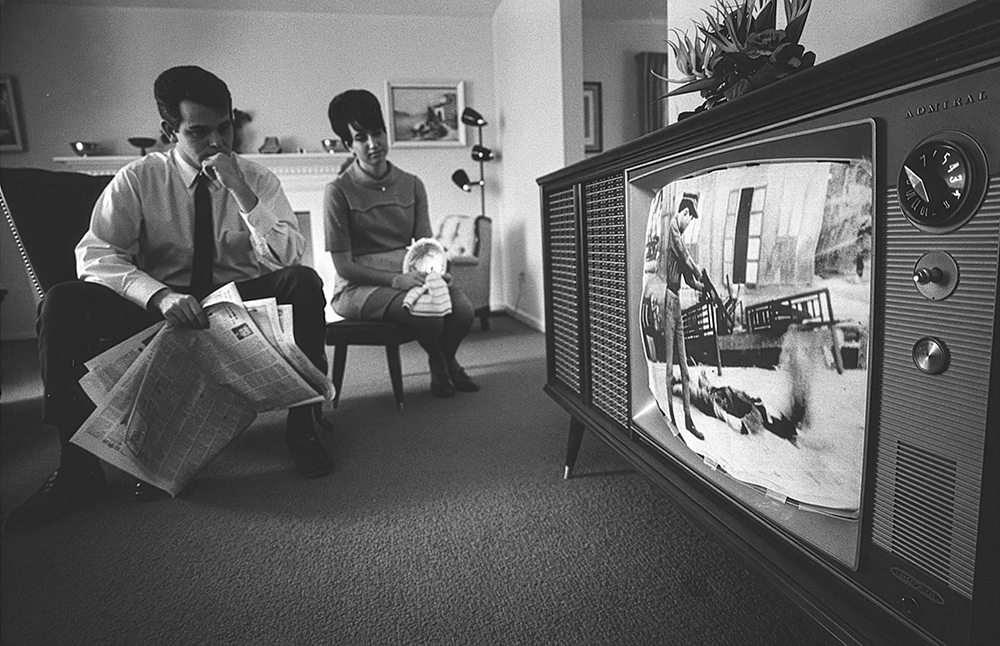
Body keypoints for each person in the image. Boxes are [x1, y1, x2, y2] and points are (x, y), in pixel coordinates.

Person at [5, 66, 333, 534]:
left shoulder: (257, 180)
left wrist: (241, 192)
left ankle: (303, 429)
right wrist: (157, 296)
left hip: (236, 303)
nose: (217, 143)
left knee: (303, 281)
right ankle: (77, 469)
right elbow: (95, 255)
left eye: (225, 128)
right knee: (61, 301)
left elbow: (286, 256)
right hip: (161, 306)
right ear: (169, 130)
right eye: (199, 132)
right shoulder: (138, 179)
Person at [324, 89, 479, 398]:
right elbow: (343, 266)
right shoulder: (337, 191)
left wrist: (437, 272)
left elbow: (426, 247)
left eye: (378, 133)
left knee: (463, 310)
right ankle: (441, 364)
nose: (373, 144)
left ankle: (446, 359)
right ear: (348, 144)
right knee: (428, 312)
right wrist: (396, 280)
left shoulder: (412, 184)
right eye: (361, 137)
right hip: (357, 287)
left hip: (410, 278)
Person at [644, 189, 705, 439]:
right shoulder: (672, 231)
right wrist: (698, 271)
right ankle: (671, 422)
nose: (689, 223)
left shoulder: (679, 237)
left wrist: (702, 286)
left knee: (685, 366)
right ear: (684, 213)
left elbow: (688, 278)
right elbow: (686, 257)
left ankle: (688, 421)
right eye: (689, 218)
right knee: (669, 367)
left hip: (676, 301)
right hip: (668, 300)